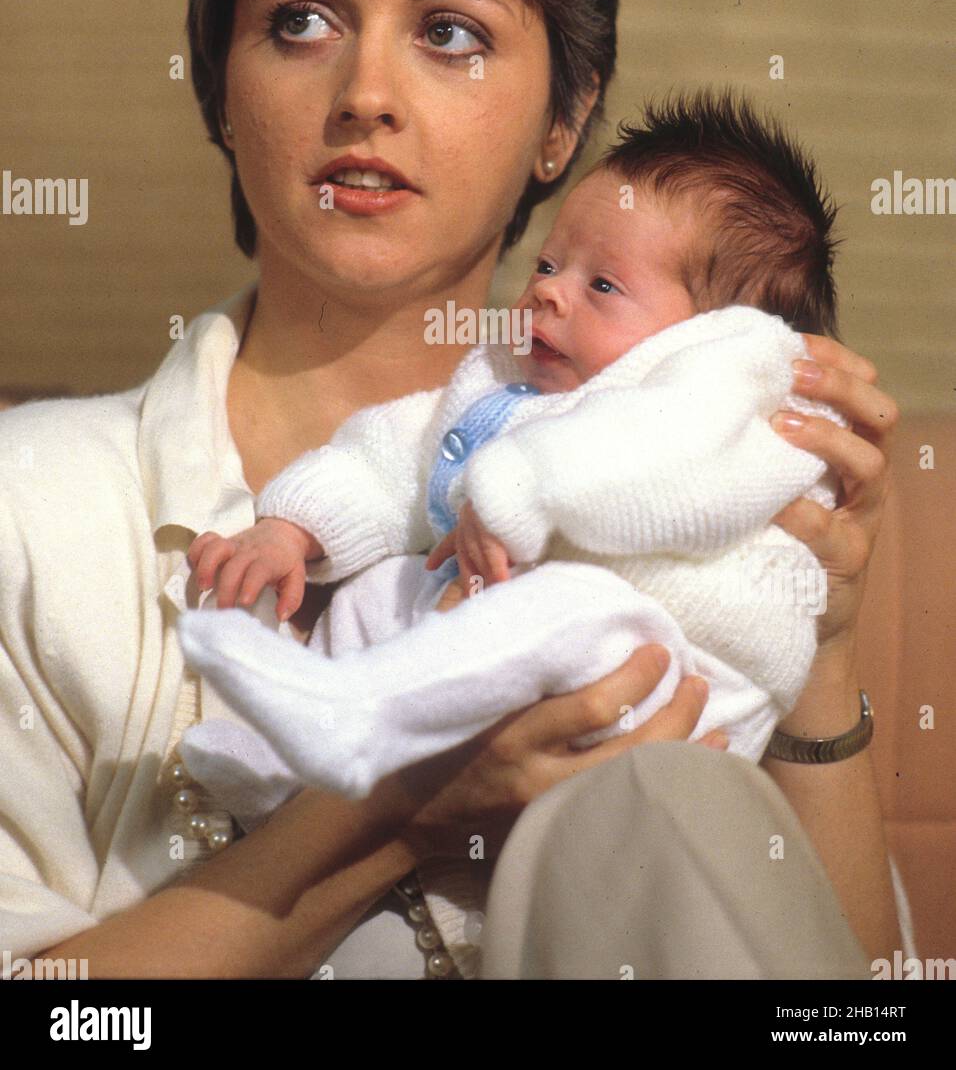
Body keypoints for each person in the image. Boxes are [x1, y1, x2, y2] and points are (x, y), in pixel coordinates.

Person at [0, 0, 903, 980]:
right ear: (219, 85)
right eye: (300, 20)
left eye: (451, 33)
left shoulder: (671, 478)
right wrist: (399, 813)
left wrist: (820, 659)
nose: (365, 96)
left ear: (562, 119)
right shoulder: (35, 510)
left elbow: (863, 1004)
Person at [176, 92, 846, 809]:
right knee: (381, 594)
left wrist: (517, 490)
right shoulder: (509, 381)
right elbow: (403, 459)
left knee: (577, 600)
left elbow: (654, 458)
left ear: (714, 331)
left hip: (674, 674)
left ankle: (356, 716)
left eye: (604, 284)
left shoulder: (737, 389)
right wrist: (293, 526)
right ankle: (292, 771)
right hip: (524, 679)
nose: (550, 293)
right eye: (551, 264)